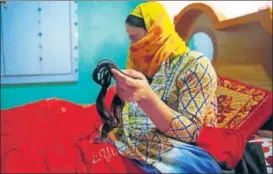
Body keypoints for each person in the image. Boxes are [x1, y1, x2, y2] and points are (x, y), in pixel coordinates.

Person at [109, 1, 221, 173]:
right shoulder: (142, 64)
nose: (134, 47)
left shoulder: (195, 65)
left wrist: (147, 98)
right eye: (131, 39)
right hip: (134, 138)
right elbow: (130, 115)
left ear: (157, 34)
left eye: (138, 39)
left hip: (175, 147)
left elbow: (190, 132)